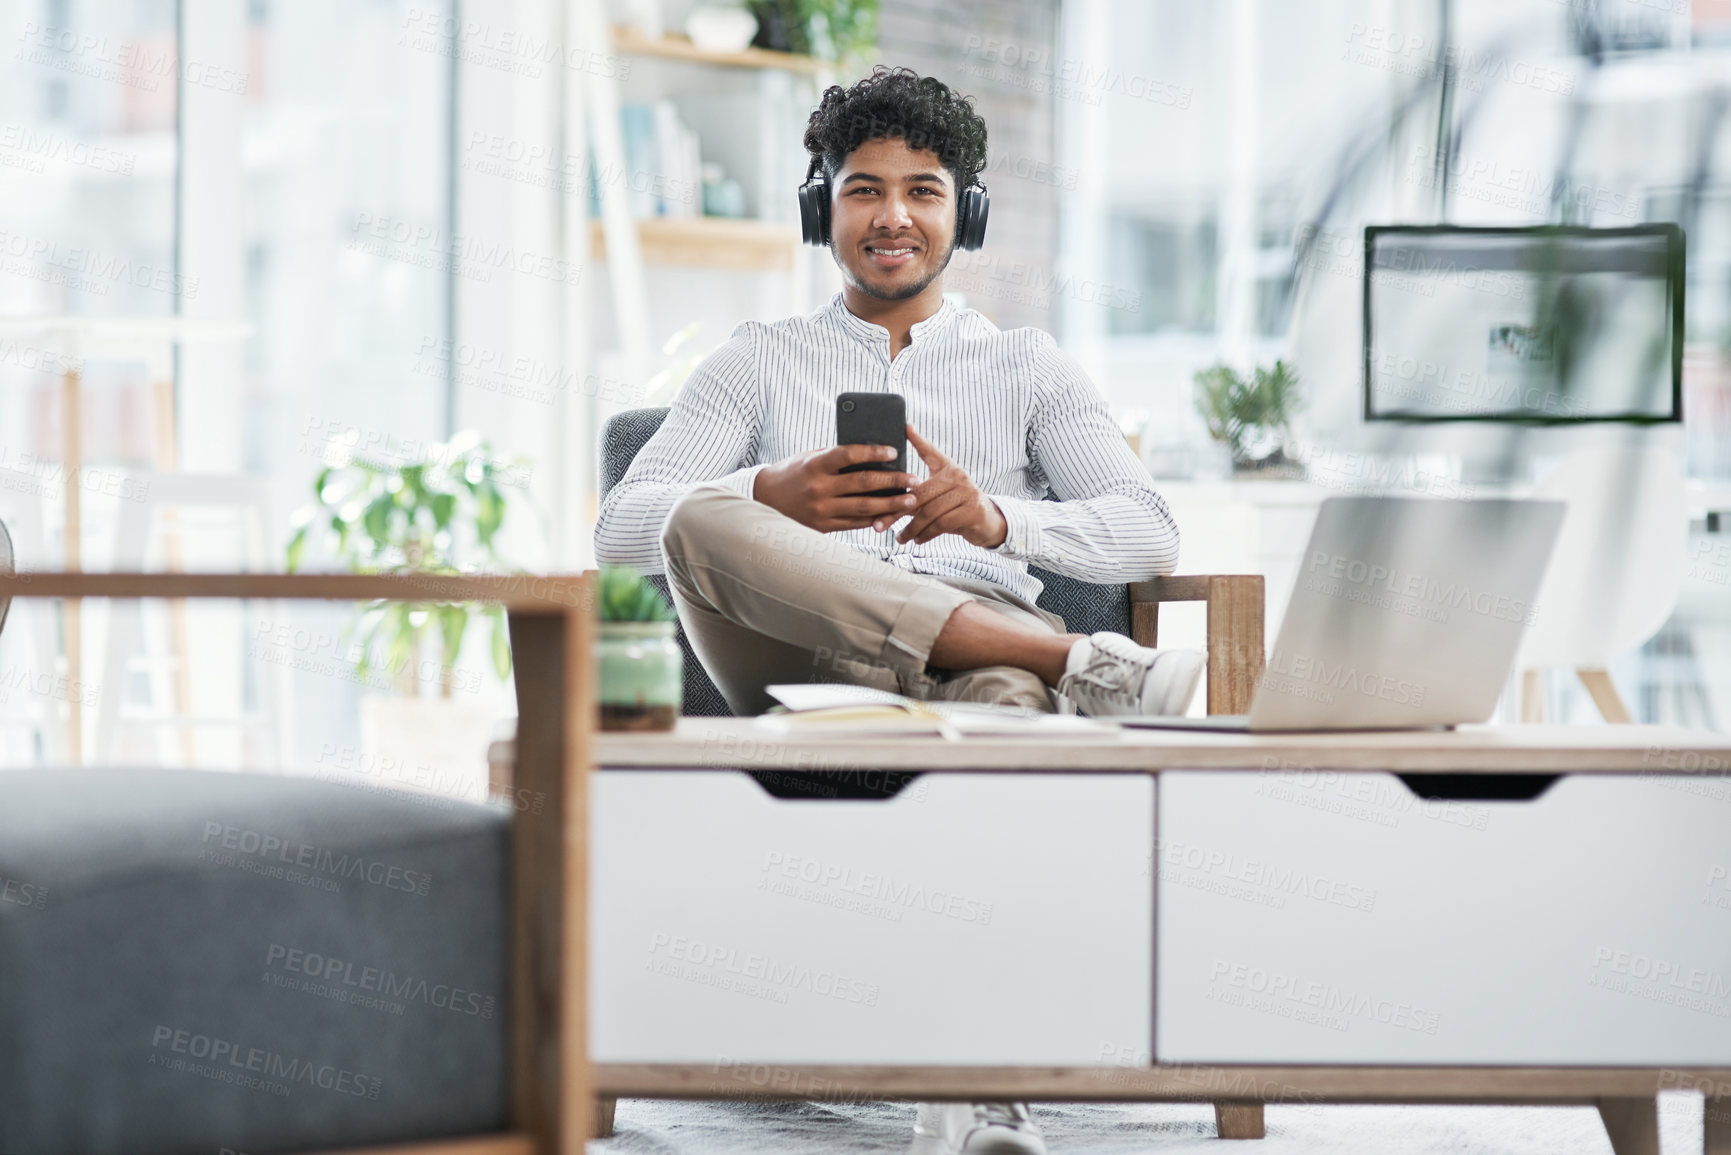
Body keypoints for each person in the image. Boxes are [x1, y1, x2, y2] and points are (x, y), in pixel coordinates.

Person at [595, 66, 1201, 1155]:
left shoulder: (1027, 366)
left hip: (959, 673)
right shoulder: (753, 360)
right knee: (697, 517)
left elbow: (1148, 527)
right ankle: (1075, 658)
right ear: (820, 205)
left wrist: (1000, 523)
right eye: (864, 188)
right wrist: (768, 495)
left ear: (961, 213)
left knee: (1007, 708)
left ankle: (977, 1100)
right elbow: (623, 532)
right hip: (794, 660)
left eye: (922, 190)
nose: (892, 217)